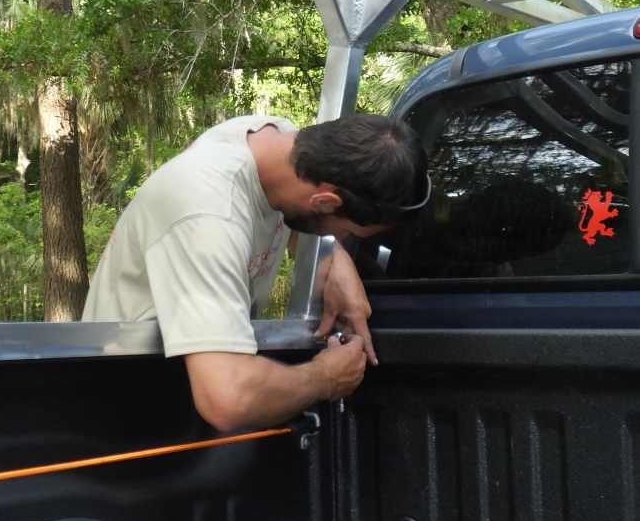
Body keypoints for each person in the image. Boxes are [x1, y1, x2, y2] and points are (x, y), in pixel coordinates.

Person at [82, 113, 429, 431]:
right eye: (347, 233)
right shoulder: (208, 216)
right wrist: (325, 377)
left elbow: (294, 215)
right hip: (123, 407)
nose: (339, 238)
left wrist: (332, 259)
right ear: (325, 203)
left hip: (190, 385)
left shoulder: (278, 145)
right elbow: (228, 398)